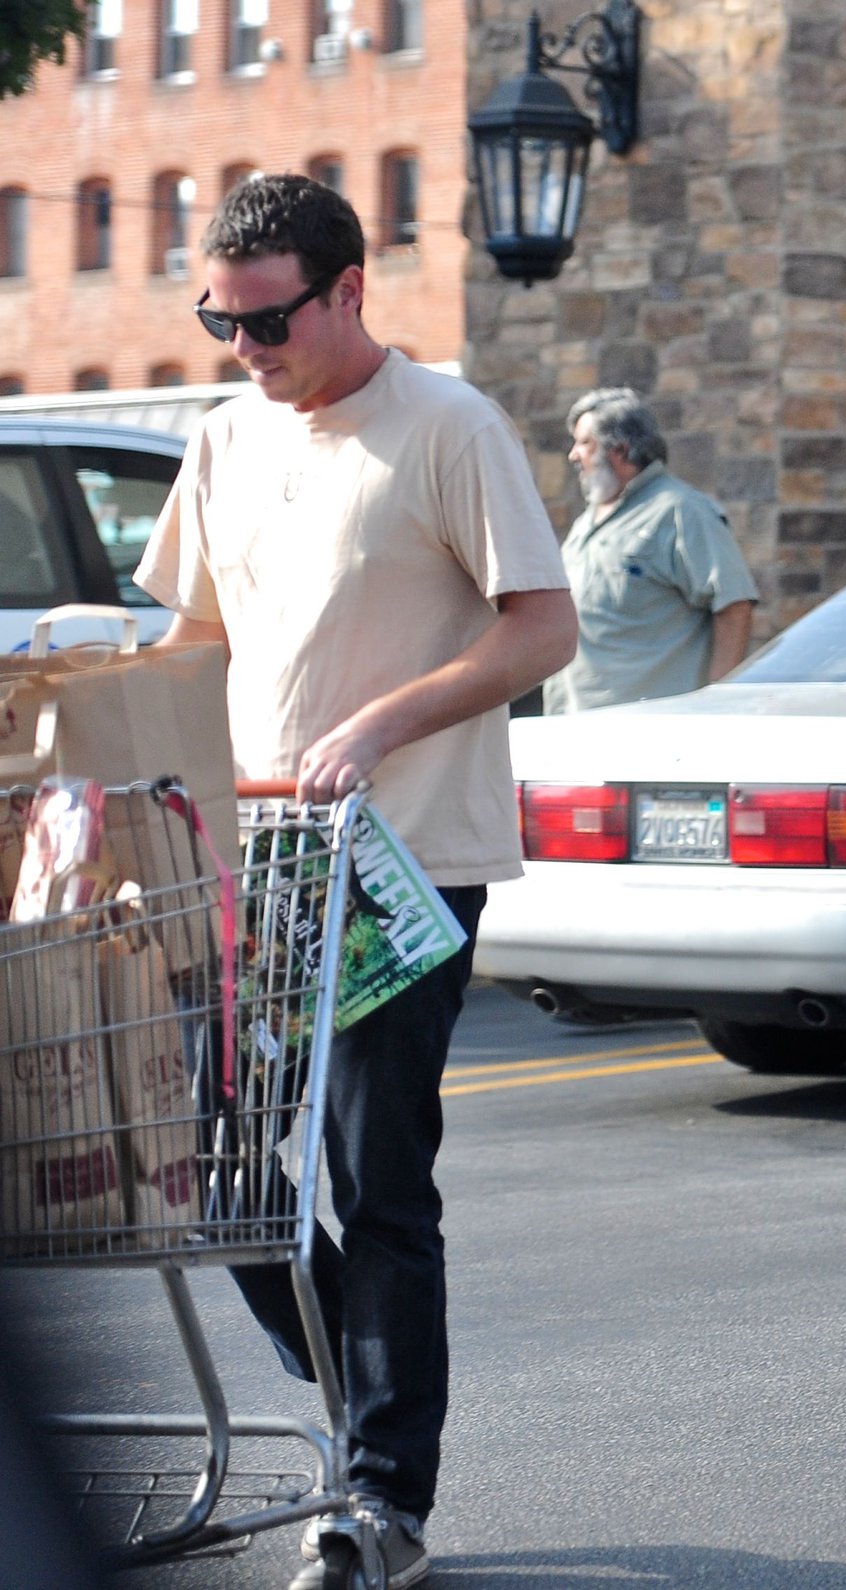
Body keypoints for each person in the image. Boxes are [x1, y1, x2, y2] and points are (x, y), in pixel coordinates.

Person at [136, 174, 577, 1587]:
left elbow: (545, 628)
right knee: (216, 1176)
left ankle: (384, 1492)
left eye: (267, 320)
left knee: (371, 1175)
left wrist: (388, 720)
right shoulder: (222, 438)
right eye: (220, 318)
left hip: (406, 862)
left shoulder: (448, 426)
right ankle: (359, 1408)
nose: (244, 348)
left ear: (348, 289)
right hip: (253, 855)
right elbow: (197, 642)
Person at [542, 387, 759, 713]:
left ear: (620, 449)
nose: (573, 455)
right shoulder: (588, 520)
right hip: (575, 726)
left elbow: (733, 604)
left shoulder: (682, 512)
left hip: (650, 735)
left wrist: (718, 702)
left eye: (585, 443)